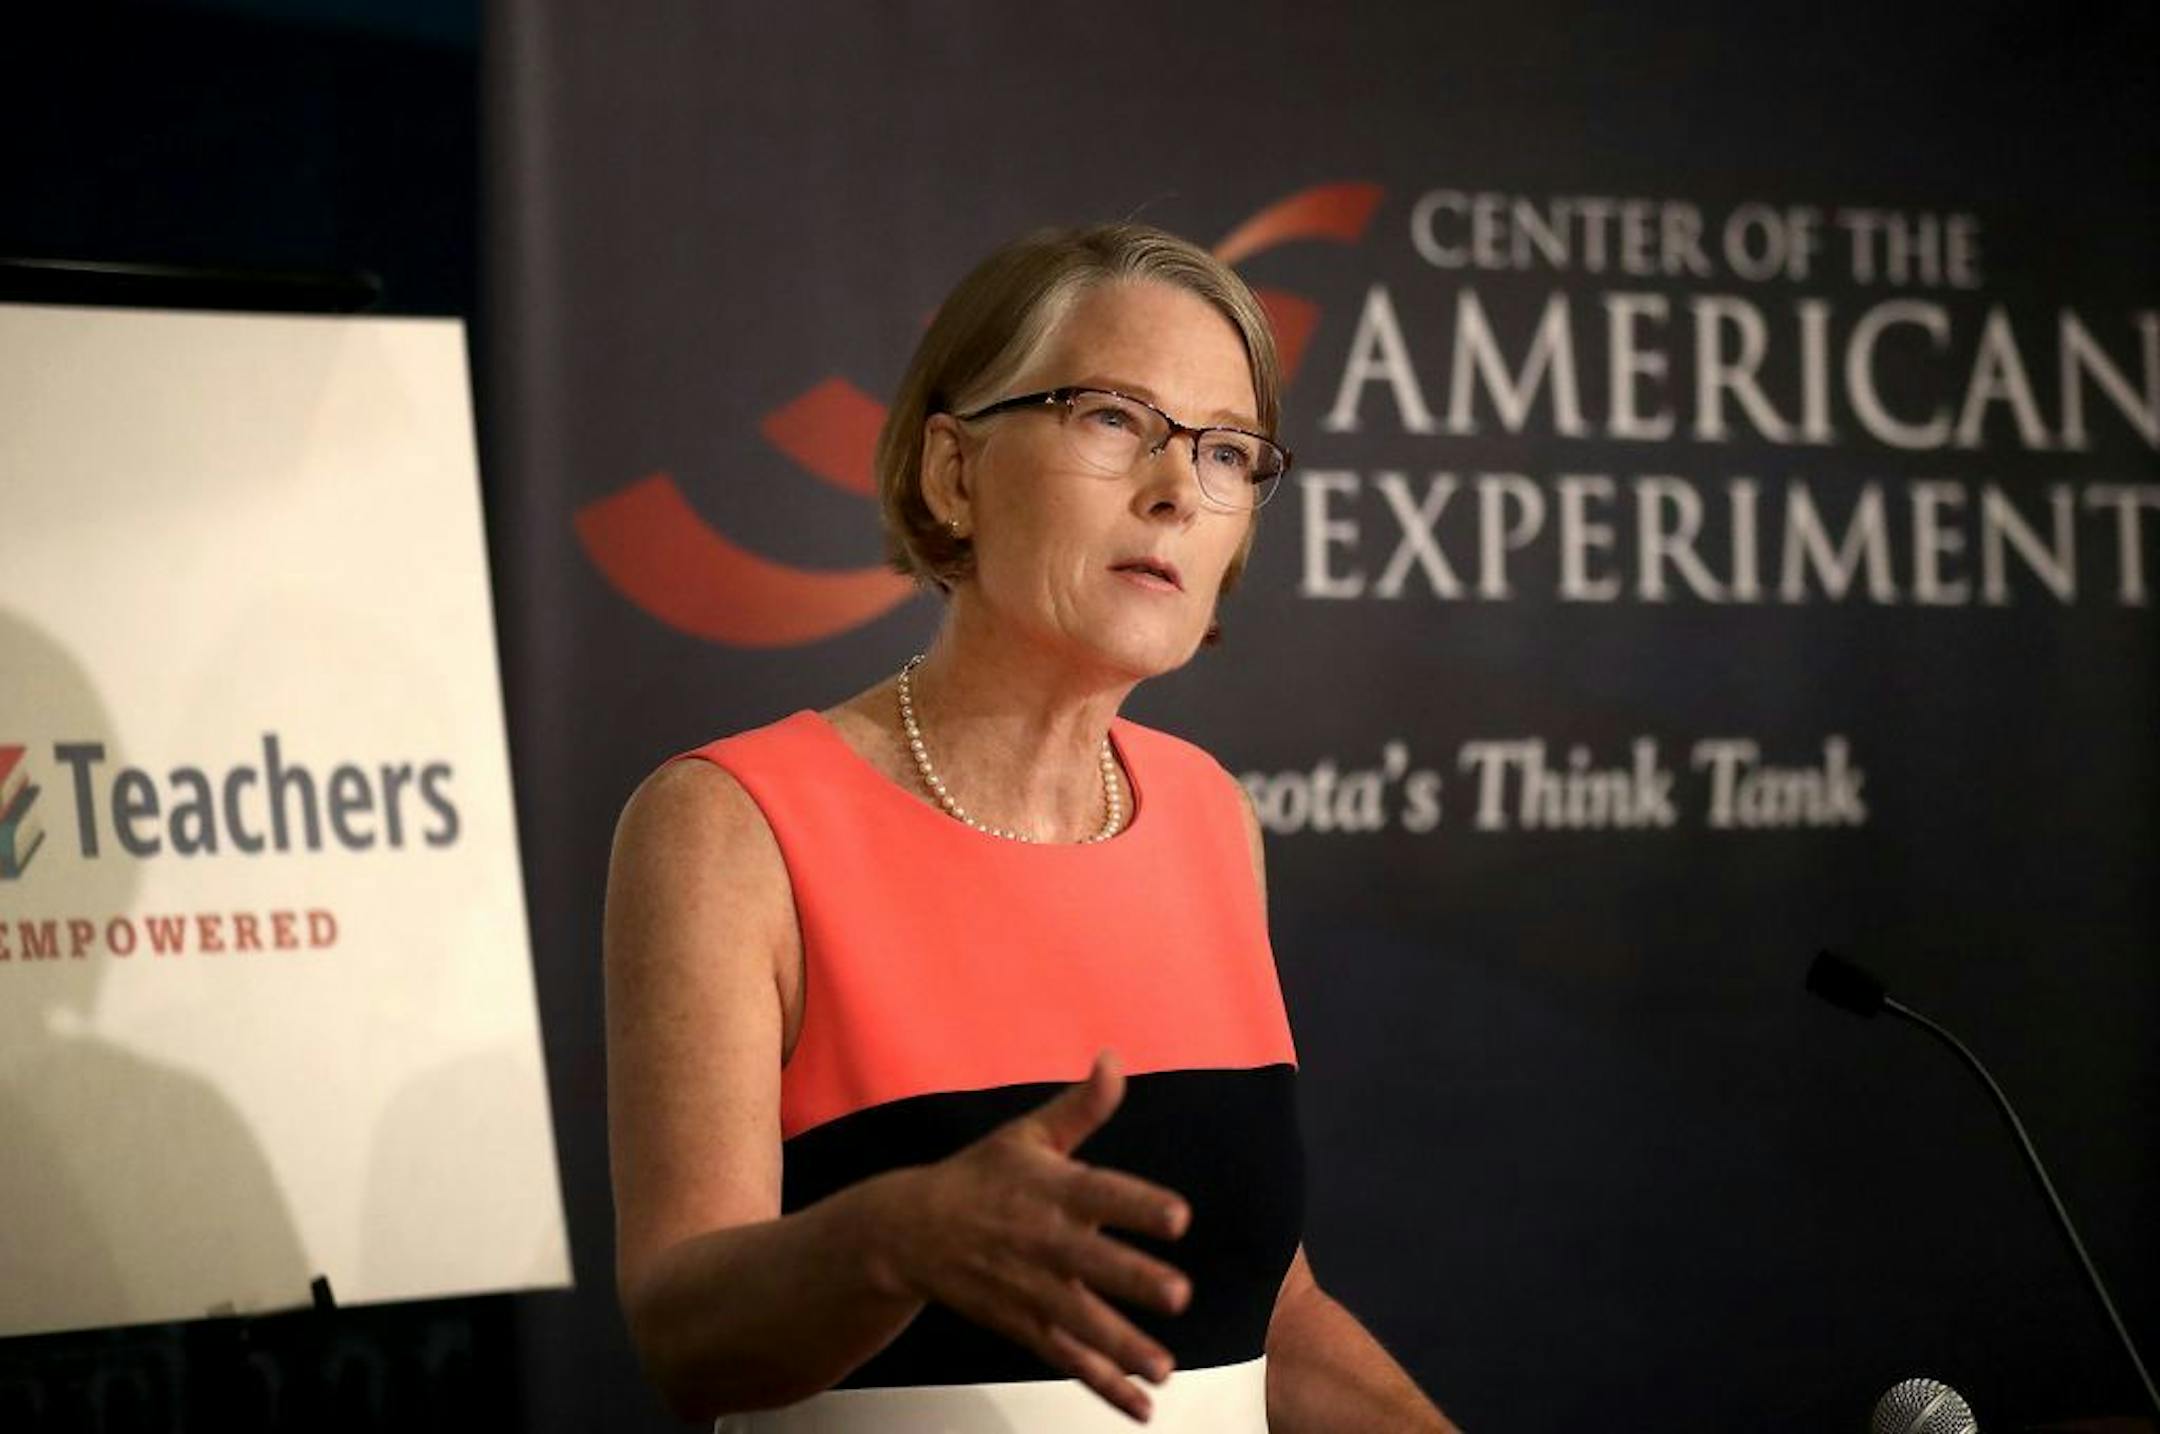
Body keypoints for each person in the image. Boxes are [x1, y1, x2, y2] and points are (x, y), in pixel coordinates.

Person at [604, 223, 1459, 1431]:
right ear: (954, 473)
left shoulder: (1211, 817)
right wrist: (894, 1240)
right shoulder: (732, 827)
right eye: (1113, 418)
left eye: (1226, 451)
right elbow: (684, 1341)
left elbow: (1264, 1319)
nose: (1177, 490)